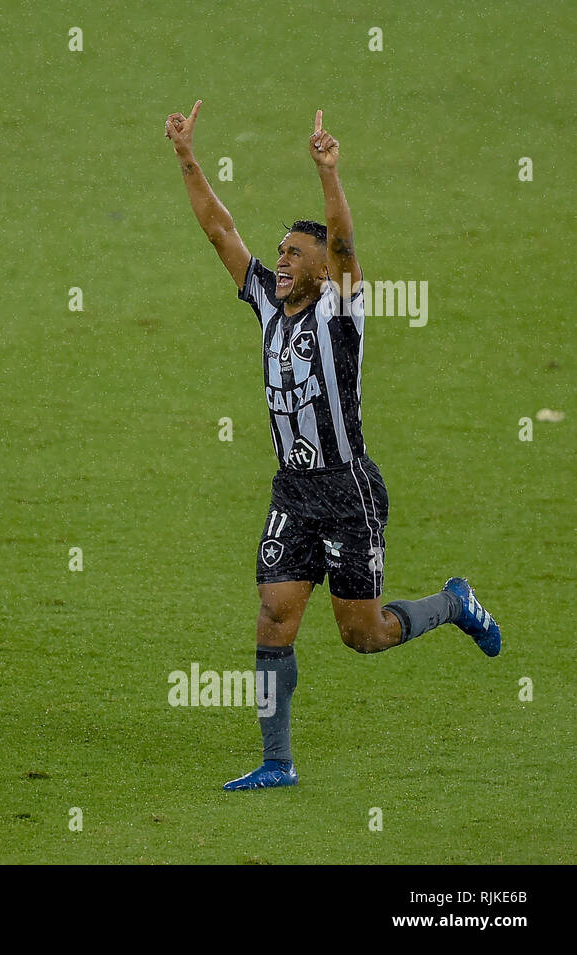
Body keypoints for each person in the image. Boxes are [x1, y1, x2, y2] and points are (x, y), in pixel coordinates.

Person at [164, 103, 502, 791]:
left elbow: (346, 243)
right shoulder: (265, 301)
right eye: (281, 251)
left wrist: (329, 173)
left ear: (322, 266)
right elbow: (218, 227)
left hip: (348, 492)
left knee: (363, 634)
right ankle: (276, 761)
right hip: (294, 489)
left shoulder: (339, 308)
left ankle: (453, 602)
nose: (280, 259)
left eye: (294, 252)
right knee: (273, 613)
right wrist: (186, 155)